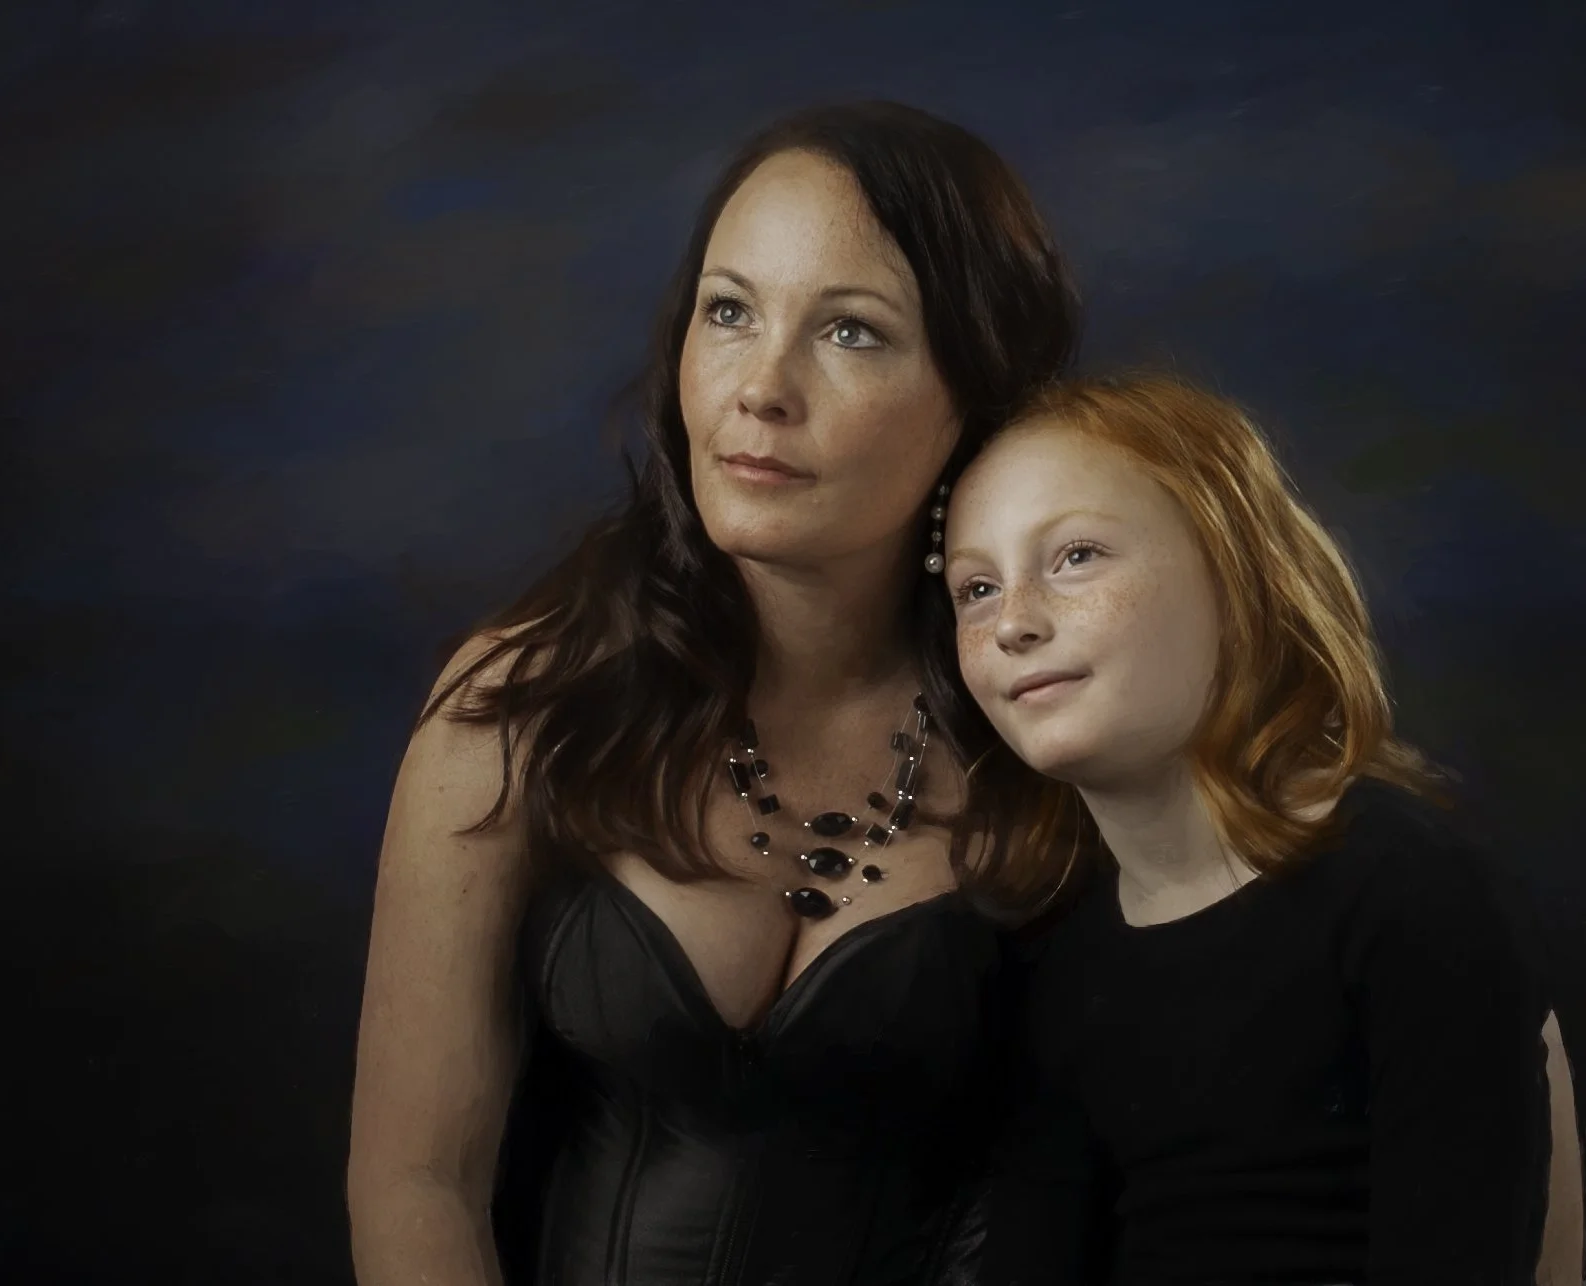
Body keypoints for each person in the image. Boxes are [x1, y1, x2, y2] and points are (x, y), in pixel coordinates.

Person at [345, 102, 1080, 1286]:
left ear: (975, 394)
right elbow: (415, 1180)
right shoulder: (518, 704)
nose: (762, 387)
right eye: (730, 311)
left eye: (851, 331)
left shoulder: (1052, 718)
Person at [942, 373, 1569, 1285]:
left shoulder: (1404, 892)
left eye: (1075, 556)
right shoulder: (1058, 958)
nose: (1013, 623)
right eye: (974, 588)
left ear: (1233, 573)